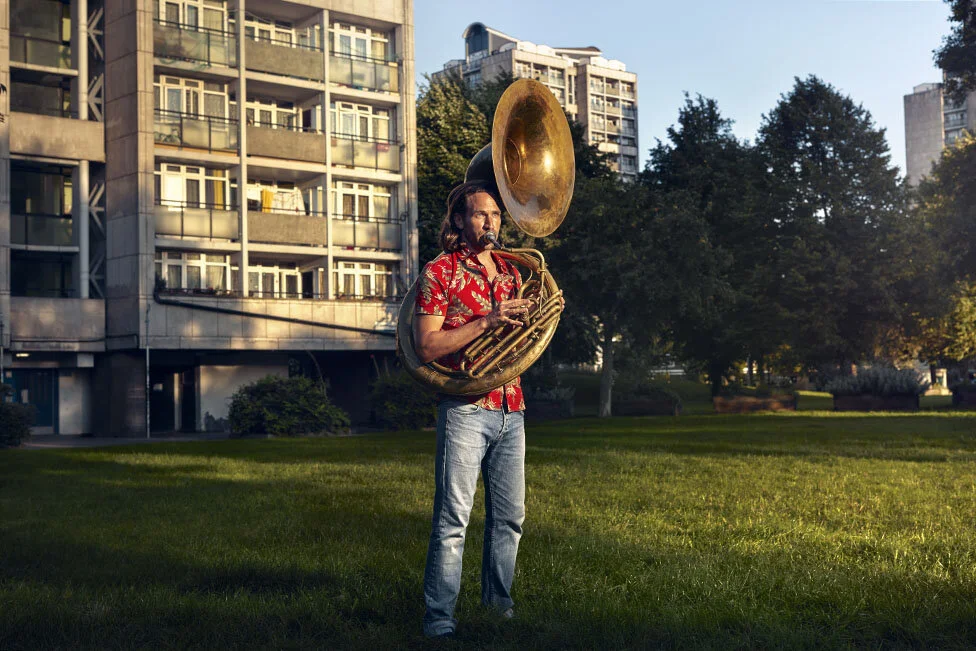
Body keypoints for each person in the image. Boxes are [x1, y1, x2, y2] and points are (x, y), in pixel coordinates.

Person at [414, 179, 537, 638]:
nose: (492, 222)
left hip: (512, 405)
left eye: (497, 215)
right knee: (453, 520)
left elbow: (519, 340)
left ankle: (497, 609)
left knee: (510, 517)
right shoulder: (440, 271)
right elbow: (426, 346)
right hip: (465, 407)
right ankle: (439, 623)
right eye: (482, 214)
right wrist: (486, 320)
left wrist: (532, 315)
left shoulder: (510, 271)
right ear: (460, 221)